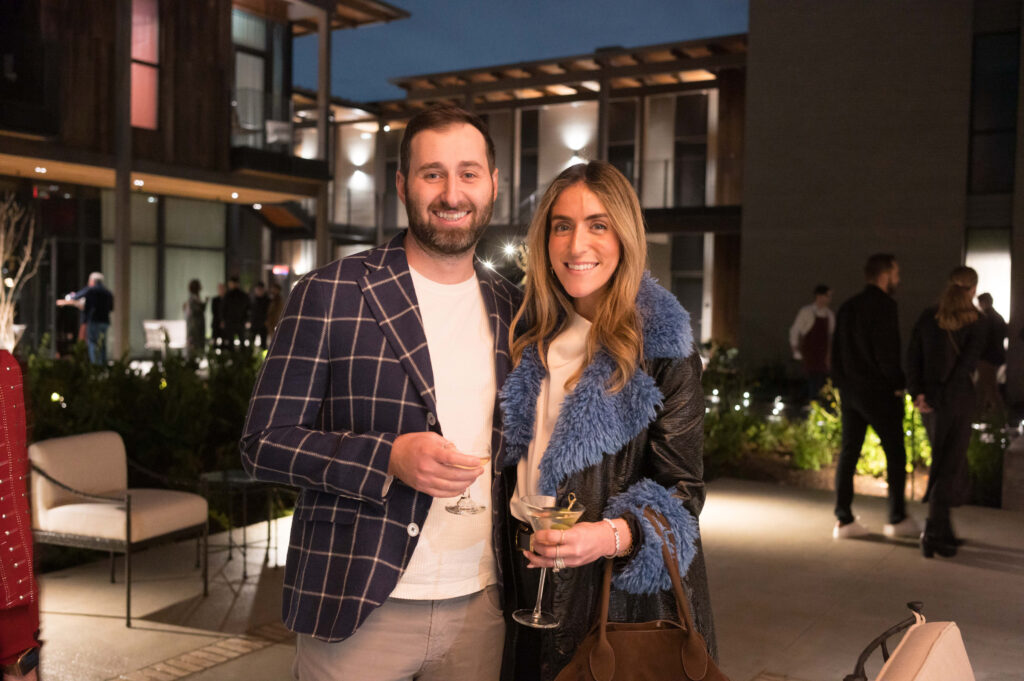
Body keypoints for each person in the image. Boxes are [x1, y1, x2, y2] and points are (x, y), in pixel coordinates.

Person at [240, 106, 520, 681]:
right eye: (432, 173)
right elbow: (261, 442)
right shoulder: (330, 292)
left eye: (469, 173)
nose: (451, 192)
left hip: (482, 605)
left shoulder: (514, 309)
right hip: (358, 601)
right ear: (402, 185)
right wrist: (386, 457)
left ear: (493, 184)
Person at [499, 161, 716, 680]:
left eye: (598, 225)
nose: (578, 246)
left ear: (624, 236)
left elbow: (684, 493)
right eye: (562, 225)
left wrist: (607, 537)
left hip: (618, 607)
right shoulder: (526, 334)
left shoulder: (661, 347)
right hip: (524, 581)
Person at [831, 254, 917, 539]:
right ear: (886, 274)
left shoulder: (847, 307)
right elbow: (886, 352)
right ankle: (896, 517)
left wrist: (842, 383)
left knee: (849, 453)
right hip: (879, 392)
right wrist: (898, 382)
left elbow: (836, 352)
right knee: (895, 452)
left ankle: (844, 519)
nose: (899, 279)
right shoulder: (885, 307)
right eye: (897, 273)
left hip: (851, 391)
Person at [906, 267, 986, 558]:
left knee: (944, 463)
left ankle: (943, 531)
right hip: (958, 401)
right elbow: (965, 366)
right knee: (949, 466)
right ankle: (933, 533)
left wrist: (919, 393)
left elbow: (912, 355)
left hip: (932, 403)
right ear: (973, 289)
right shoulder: (976, 323)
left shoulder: (929, 317)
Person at [0, 351, 41, 681]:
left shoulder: (5, 369)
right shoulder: (6, 368)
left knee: (21, 657)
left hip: (9, 556)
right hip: (12, 553)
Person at [789, 284, 835, 401]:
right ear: (819, 296)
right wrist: (795, 348)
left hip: (823, 356)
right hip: (810, 353)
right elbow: (795, 329)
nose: (829, 299)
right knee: (811, 380)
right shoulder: (807, 312)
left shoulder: (829, 315)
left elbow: (831, 336)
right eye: (827, 296)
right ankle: (807, 403)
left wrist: (829, 356)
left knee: (822, 382)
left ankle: (816, 405)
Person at [56, 271, 114, 365]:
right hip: (105, 322)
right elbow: (111, 308)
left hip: (94, 321)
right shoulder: (108, 292)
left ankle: (95, 366)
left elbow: (75, 297)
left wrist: (71, 296)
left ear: (92, 281)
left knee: (92, 343)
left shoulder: (91, 290)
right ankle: (103, 365)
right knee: (102, 344)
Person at [975, 292, 1007, 415]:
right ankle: (989, 416)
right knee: (986, 387)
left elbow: (983, 339)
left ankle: (996, 417)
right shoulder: (996, 317)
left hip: (987, 357)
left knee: (988, 387)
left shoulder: (986, 318)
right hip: (993, 356)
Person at [220, 276, 250, 349]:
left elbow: (247, 308)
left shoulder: (231, 295)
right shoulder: (230, 295)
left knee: (238, 341)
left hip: (236, 321)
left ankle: (238, 357)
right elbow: (223, 309)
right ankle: (240, 358)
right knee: (234, 342)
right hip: (235, 321)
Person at [183, 279, 207, 356]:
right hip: (195, 327)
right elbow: (196, 311)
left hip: (195, 326)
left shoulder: (195, 298)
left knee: (195, 345)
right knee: (194, 345)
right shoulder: (193, 299)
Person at [249, 281, 270, 349]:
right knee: (251, 343)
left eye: (260, 289)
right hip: (254, 324)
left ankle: (263, 358)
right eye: (257, 289)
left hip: (263, 324)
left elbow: (269, 313)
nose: (259, 291)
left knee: (263, 344)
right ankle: (252, 357)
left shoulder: (267, 300)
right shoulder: (252, 300)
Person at [210, 283, 226, 348]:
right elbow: (214, 312)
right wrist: (220, 321)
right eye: (220, 289)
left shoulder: (227, 300)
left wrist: (223, 321)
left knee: (224, 342)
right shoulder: (215, 300)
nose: (221, 290)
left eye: (222, 289)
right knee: (214, 342)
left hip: (225, 324)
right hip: (216, 323)